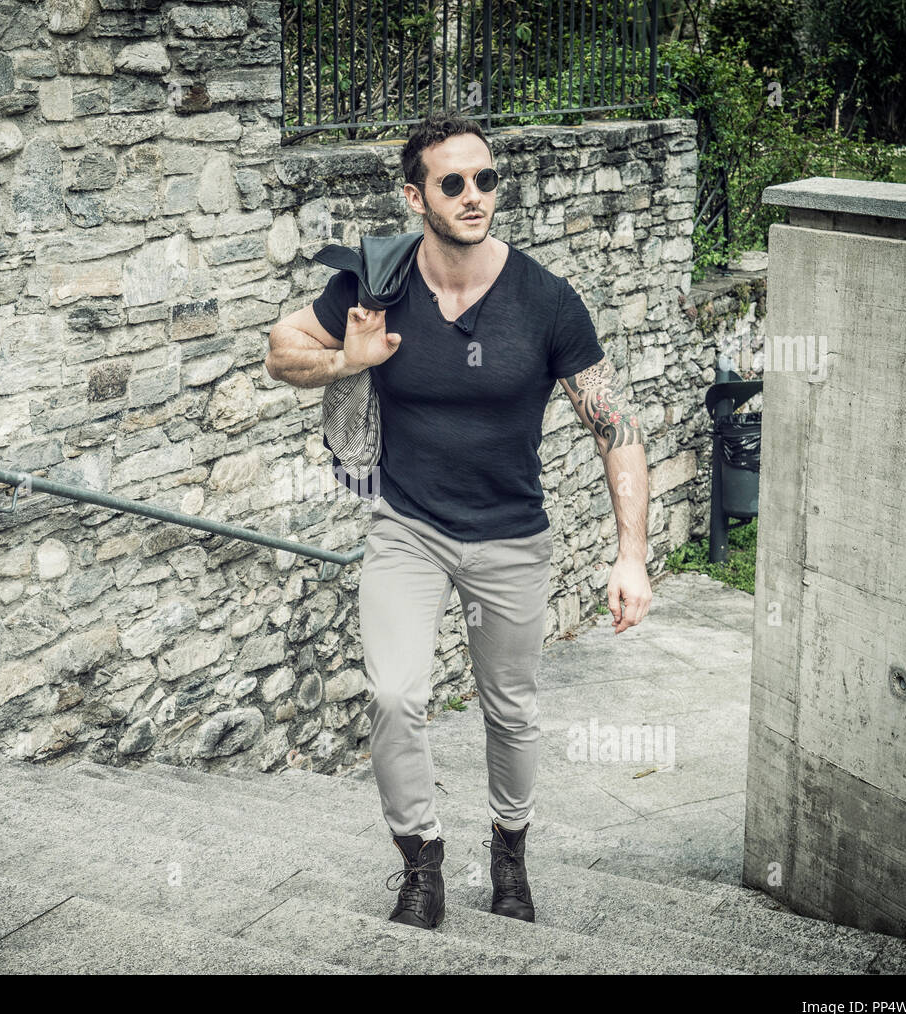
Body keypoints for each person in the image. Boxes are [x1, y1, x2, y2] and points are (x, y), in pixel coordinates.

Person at [265, 111, 652, 929]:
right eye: (454, 182)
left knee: (511, 709)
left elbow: (615, 426)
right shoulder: (378, 281)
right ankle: (422, 860)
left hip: (512, 536)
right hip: (407, 527)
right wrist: (349, 359)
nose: (476, 196)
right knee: (397, 694)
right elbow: (280, 349)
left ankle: (509, 849)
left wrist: (632, 553)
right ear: (416, 195)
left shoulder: (547, 301)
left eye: (487, 179)